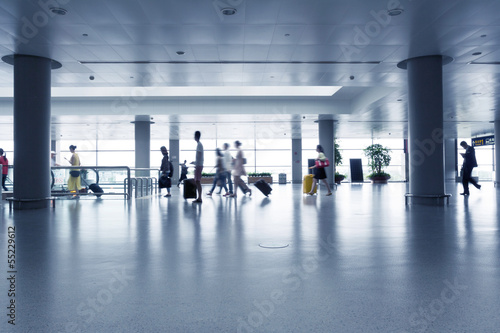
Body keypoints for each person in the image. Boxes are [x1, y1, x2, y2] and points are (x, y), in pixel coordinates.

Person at [191, 131, 204, 203]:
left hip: (199, 165)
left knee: (197, 181)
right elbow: (199, 157)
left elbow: (199, 156)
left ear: (196, 136)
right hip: (198, 165)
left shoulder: (199, 145)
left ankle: (199, 198)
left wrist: (196, 164)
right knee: (197, 181)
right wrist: (195, 162)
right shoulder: (199, 144)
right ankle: (199, 197)